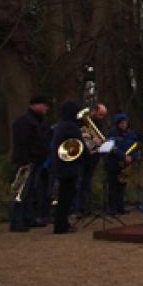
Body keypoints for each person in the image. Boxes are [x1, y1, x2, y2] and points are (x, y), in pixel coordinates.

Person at [9, 96, 52, 232]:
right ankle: (16, 221)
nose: (46, 109)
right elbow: (21, 143)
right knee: (21, 191)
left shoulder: (39, 122)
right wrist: (24, 161)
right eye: (44, 105)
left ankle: (28, 217)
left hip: (37, 161)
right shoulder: (25, 122)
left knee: (31, 191)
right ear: (36, 105)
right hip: (26, 162)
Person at [50, 100, 87, 233]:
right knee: (66, 196)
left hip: (60, 164)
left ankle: (61, 223)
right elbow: (79, 143)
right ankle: (61, 225)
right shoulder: (71, 126)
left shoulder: (60, 125)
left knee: (64, 195)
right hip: (68, 165)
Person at [74, 102, 107, 215]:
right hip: (83, 157)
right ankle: (77, 208)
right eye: (100, 115)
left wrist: (100, 144)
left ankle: (85, 207)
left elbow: (102, 138)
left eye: (103, 115)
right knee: (79, 183)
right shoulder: (82, 123)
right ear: (93, 112)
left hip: (93, 157)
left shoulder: (100, 125)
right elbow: (82, 138)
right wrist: (93, 141)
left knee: (87, 183)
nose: (101, 118)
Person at [104, 114, 139, 215]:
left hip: (126, 165)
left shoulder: (131, 134)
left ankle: (120, 206)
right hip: (113, 163)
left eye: (125, 123)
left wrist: (132, 157)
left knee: (122, 186)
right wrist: (123, 156)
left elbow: (135, 146)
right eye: (122, 123)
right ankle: (112, 208)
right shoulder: (111, 134)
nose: (124, 125)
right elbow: (110, 149)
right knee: (112, 187)